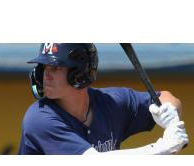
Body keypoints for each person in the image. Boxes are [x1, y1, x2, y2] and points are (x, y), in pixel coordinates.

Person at [18, 43, 189, 155]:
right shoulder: (39, 118)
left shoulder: (111, 101)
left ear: (80, 73)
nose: (45, 76)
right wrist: (162, 148)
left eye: (55, 68)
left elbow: (167, 97)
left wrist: (171, 114)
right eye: (43, 68)